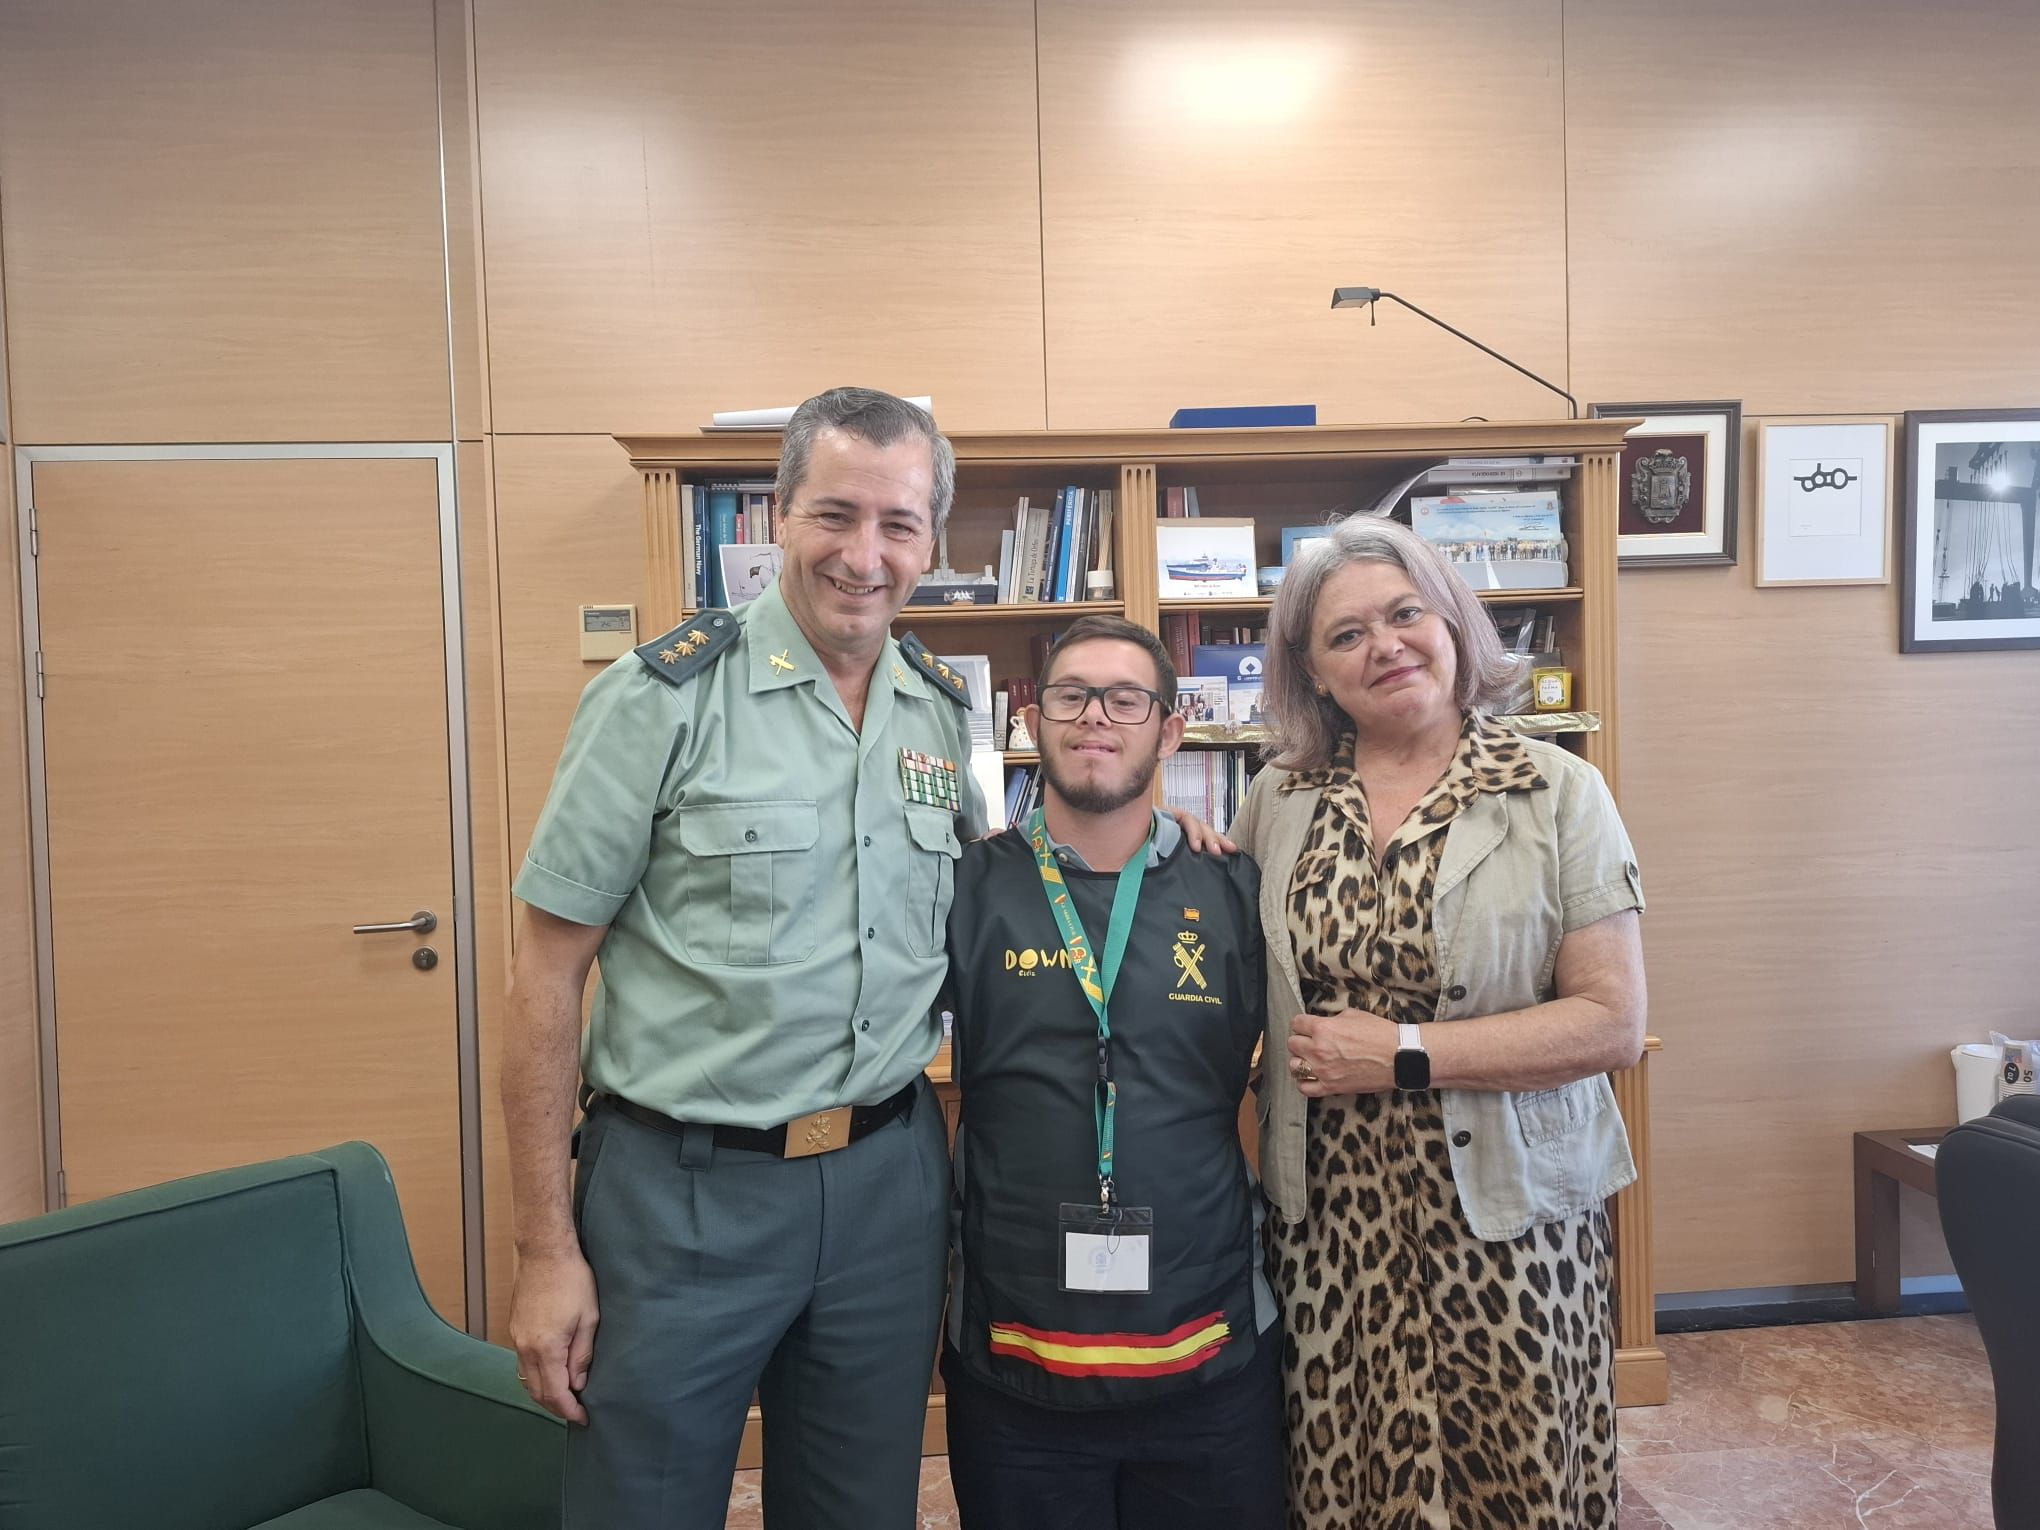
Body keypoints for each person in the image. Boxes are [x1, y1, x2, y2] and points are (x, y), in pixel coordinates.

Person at [501, 386, 985, 1530]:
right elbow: (544, 979)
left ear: (933, 540)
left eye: (899, 523)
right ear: (776, 518)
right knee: (643, 1505)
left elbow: (987, 910)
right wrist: (542, 1250)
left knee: (860, 1507)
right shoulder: (657, 698)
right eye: (836, 514)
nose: (865, 555)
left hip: (886, 1187)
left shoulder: (937, 713)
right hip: (681, 1198)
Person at [1228, 515, 1647, 1529]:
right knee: (1343, 1490)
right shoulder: (1276, 799)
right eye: (1345, 635)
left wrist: (1406, 1056)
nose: (1385, 646)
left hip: (1511, 1222)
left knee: (1517, 1487)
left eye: (1405, 614)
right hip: (1328, 1230)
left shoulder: (1557, 791)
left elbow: (1611, 1023)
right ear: (1313, 674)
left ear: (1454, 625)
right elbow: (1221, 970)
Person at [940, 615, 1284, 1530]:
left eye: (1127, 699)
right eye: (1070, 695)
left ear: (1171, 729)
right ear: (1030, 719)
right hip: (1016, 1363)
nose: (1097, 717)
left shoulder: (1235, 890)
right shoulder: (964, 888)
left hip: (1211, 1355)